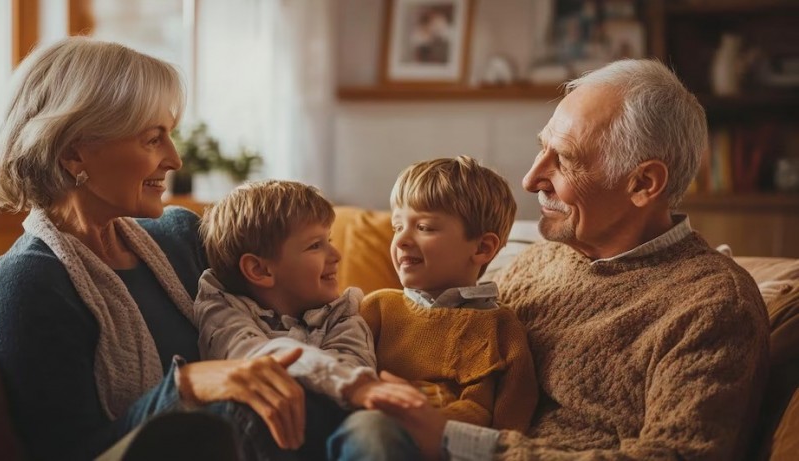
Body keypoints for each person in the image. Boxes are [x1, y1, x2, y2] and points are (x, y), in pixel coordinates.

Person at [374, 59, 770, 460]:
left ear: (643, 183)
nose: (531, 180)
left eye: (564, 159)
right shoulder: (536, 263)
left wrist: (456, 439)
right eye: (542, 148)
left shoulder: (713, 306)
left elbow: (676, 455)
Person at [0, 37, 306, 461]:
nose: (175, 159)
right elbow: (71, 451)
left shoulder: (180, 235)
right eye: (153, 139)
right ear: (73, 152)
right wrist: (187, 386)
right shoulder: (28, 282)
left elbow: (285, 314)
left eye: (169, 136)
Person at [194, 179, 427, 460]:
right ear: (259, 269)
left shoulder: (343, 312)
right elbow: (254, 359)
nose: (336, 255)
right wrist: (355, 384)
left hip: (334, 424)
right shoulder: (222, 306)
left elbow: (352, 365)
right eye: (316, 245)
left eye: (329, 240)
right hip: (264, 428)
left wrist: (355, 385)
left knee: (374, 427)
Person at [331, 156, 537, 448]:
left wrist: (433, 421)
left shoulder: (501, 327)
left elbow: (511, 426)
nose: (401, 239)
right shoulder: (376, 308)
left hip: (450, 447)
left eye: (424, 227)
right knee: (371, 427)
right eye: (397, 226)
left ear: (482, 248)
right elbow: (338, 368)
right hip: (371, 430)